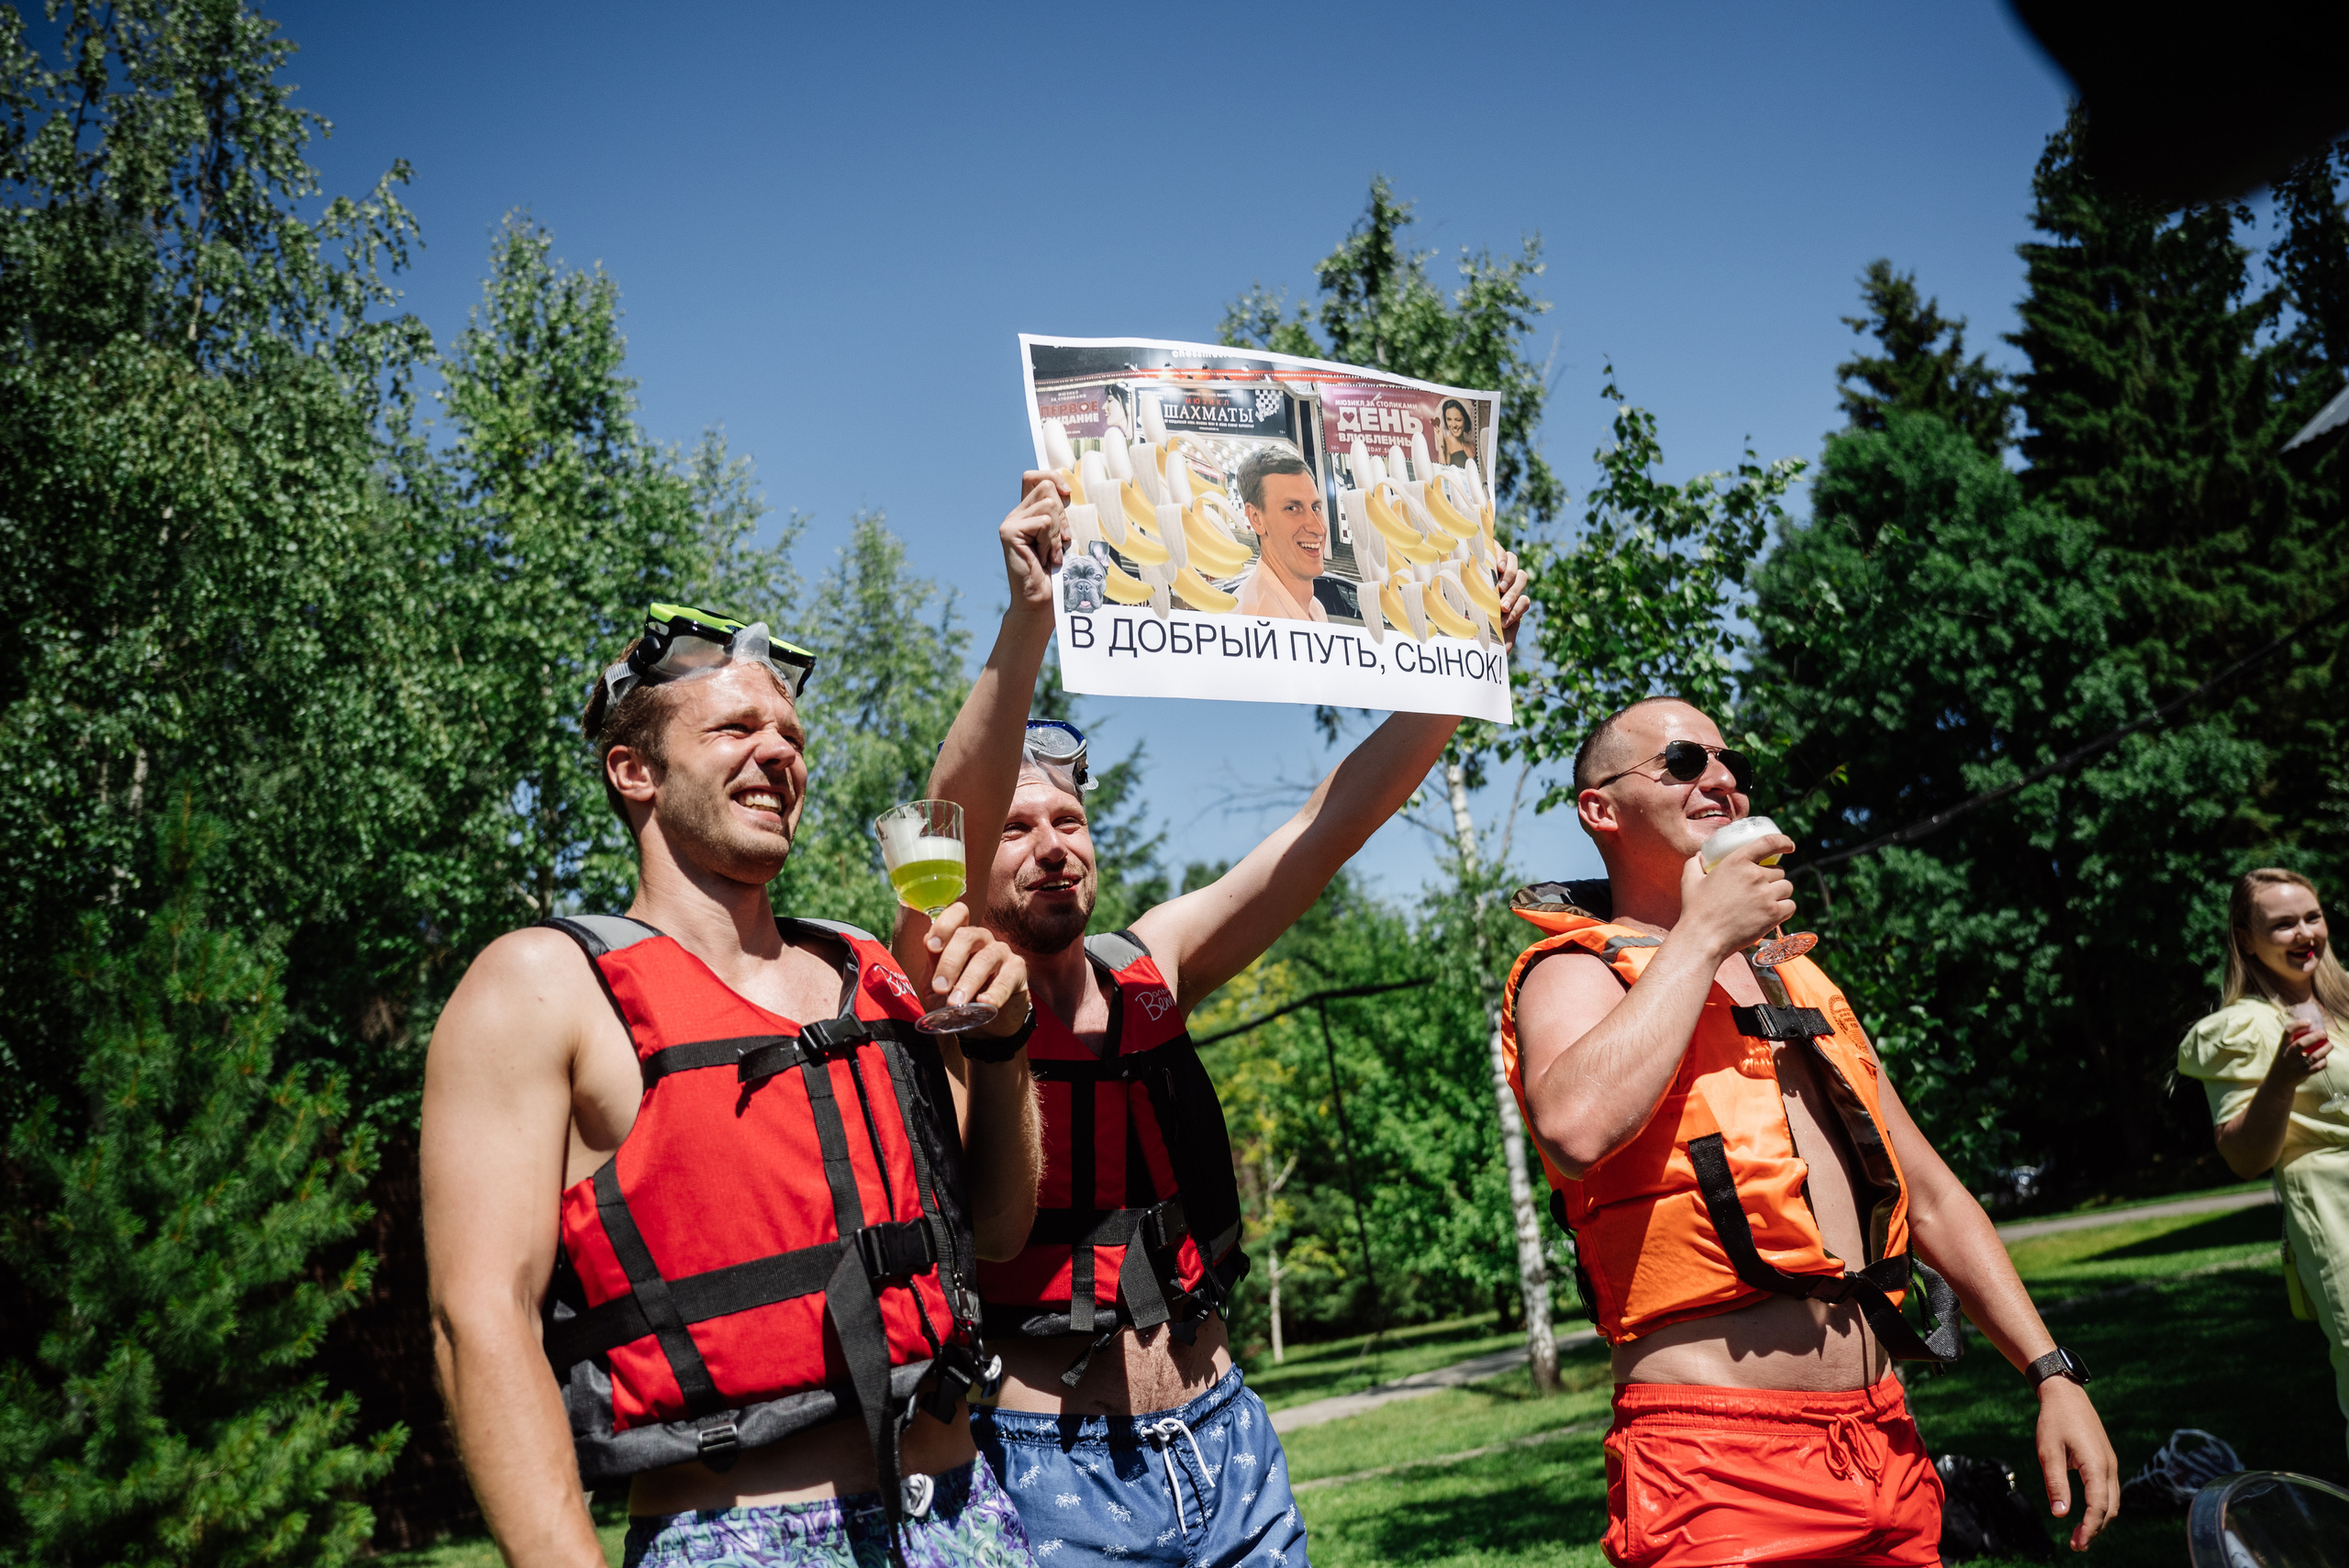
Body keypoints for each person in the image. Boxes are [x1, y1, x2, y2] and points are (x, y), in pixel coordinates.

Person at [932, 473, 1526, 1567]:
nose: (1052, 842)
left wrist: (1462, 666)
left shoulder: (1151, 964)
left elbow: (1327, 823)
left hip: (1227, 1433)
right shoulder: (946, 986)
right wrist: (1028, 618)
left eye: (1069, 817)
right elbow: (949, 815)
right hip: (1043, 1460)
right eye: (1017, 830)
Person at [422, 602, 1046, 1568]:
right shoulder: (543, 983)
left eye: (791, 736)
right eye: (734, 729)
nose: (778, 753)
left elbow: (997, 1233)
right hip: (741, 1538)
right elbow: (477, 1317)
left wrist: (1004, 1048)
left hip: (970, 1516)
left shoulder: (868, 967)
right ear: (635, 771)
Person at [1503, 696, 2117, 1567]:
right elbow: (1574, 1124)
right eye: (1682, 762)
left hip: (1885, 1442)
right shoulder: (1571, 972)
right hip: (1716, 1468)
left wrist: (2051, 1371)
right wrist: (1706, 928)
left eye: (1729, 764)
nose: (1720, 779)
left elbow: (1931, 1192)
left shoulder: (1795, 980)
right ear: (1600, 807)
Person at [2177, 867, 2349, 1451]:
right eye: (2282, 924)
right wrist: (2283, 1073)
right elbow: (2244, 1157)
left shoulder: (2347, 1003)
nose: (2304, 934)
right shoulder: (2246, 1028)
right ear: (2246, 939)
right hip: (2336, 1214)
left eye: (2312, 917)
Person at [1230, 446, 1334, 622]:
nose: (1317, 528)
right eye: (1292, 508)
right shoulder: (1255, 622)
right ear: (1256, 518)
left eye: (1315, 508)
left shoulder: (1314, 607)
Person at [1438, 398, 1475, 468]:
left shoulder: (1472, 446)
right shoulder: (1445, 443)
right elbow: (1442, 472)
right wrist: (1440, 441)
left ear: (1465, 420)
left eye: (1458, 420)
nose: (1453, 425)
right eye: (1449, 419)